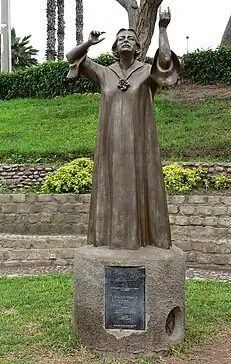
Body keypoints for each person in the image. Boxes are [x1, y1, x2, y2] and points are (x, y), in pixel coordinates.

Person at [66, 8, 180, 250]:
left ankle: (144, 240)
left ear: (138, 48)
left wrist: (162, 29)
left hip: (140, 147)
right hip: (111, 148)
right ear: (115, 48)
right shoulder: (104, 73)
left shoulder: (147, 73)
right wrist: (89, 42)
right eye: (121, 39)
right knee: (111, 188)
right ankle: (110, 240)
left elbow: (166, 61)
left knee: (142, 187)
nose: (126, 41)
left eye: (131, 38)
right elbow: (71, 57)